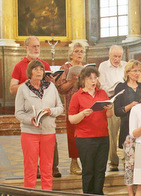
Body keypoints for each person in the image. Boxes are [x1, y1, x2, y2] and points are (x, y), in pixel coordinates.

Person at [9, 36, 62, 178]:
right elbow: (12, 89)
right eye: (33, 46)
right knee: (32, 147)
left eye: (38, 46)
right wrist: (29, 82)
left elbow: (52, 91)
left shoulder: (44, 64)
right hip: (29, 110)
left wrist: (52, 82)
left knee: (51, 142)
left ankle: (53, 167)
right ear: (26, 47)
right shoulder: (19, 66)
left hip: (47, 115)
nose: (36, 49)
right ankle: (36, 169)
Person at [15, 60, 64, 190]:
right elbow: (18, 113)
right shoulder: (23, 89)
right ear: (29, 72)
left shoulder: (51, 87)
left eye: (41, 69)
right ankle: (29, 193)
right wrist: (29, 119)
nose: (39, 72)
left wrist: (51, 111)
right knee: (30, 168)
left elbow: (60, 107)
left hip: (48, 132)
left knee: (47, 168)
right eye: (35, 69)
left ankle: (47, 193)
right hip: (29, 132)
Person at [68, 67, 113, 195]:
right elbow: (71, 119)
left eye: (95, 78)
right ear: (83, 80)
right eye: (90, 78)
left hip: (103, 136)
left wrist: (110, 108)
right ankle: (88, 193)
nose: (93, 81)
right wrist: (82, 114)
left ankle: (99, 193)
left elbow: (109, 115)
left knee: (100, 169)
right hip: (85, 138)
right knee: (88, 170)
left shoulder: (102, 93)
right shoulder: (77, 96)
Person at [56, 42, 86, 175]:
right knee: (73, 135)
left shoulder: (86, 68)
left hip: (86, 106)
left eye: (81, 51)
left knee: (86, 135)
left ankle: (86, 161)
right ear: (71, 54)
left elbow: (97, 84)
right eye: (77, 51)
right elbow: (61, 89)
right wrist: (73, 81)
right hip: (72, 107)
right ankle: (74, 162)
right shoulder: (65, 67)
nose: (79, 54)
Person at [113, 60, 141, 196]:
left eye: (139, 70)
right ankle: (130, 192)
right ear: (127, 72)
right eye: (134, 70)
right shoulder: (121, 88)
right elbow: (117, 111)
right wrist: (130, 106)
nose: (137, 73)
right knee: (129, 164)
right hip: (127, 129)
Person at [98, 45, 127, 172]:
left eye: (119, 56)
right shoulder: (103, 66)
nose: (117, 59)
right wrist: (116, 88)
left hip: (125, 101)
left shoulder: (126, 65)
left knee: (126, 131)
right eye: (114, 56)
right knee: (112, 132)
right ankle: (113, 162)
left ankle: (127, 160)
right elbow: (102, 86)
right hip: (111, 100)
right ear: (109, 55)